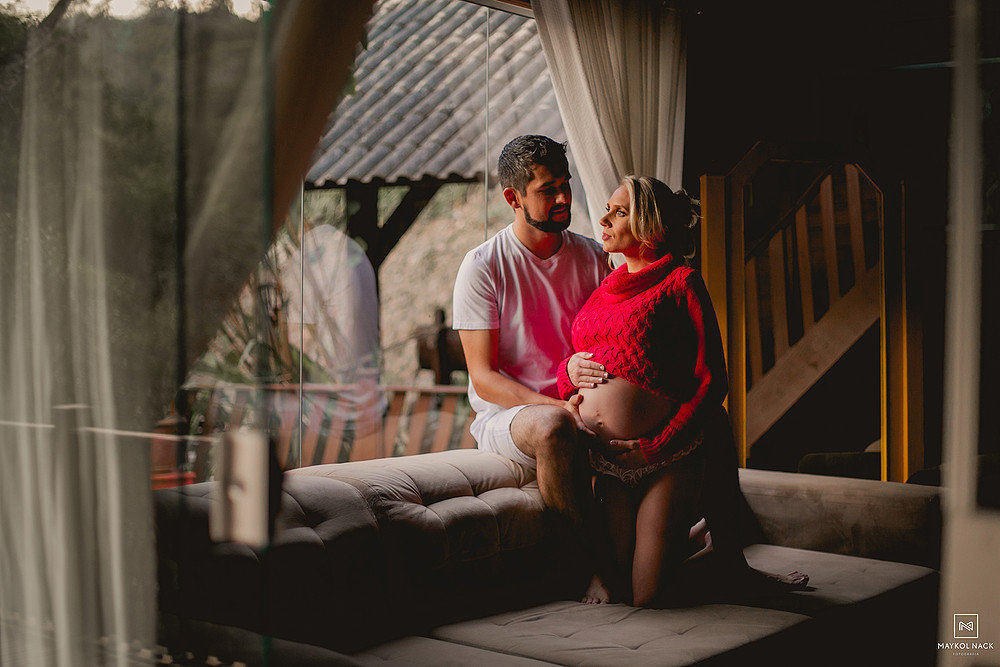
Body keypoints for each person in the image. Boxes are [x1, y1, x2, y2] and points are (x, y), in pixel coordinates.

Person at [556, 175, 808, 607]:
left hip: (664, 458)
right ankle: (694, 543)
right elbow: (582, 364)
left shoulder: (681, 282)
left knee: (646, 596)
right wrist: (568, 370)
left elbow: (713, 379)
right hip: (607, 463)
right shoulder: (602, 291)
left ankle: (718, 561)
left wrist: (653, 448)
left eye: (620, 211)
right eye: (608, 209)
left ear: (650, 226)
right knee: (617, 583)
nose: (604, 218)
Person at [452, 135, 611, 536]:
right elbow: (483, 379)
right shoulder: (482, 266)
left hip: (580, 399)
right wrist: (559, 408)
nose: (563, 198)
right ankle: (583, 564)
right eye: (547, 190)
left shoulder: (594, 257)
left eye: (566, 184)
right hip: (510, 417)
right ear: (514, 198)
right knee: (554, 427)